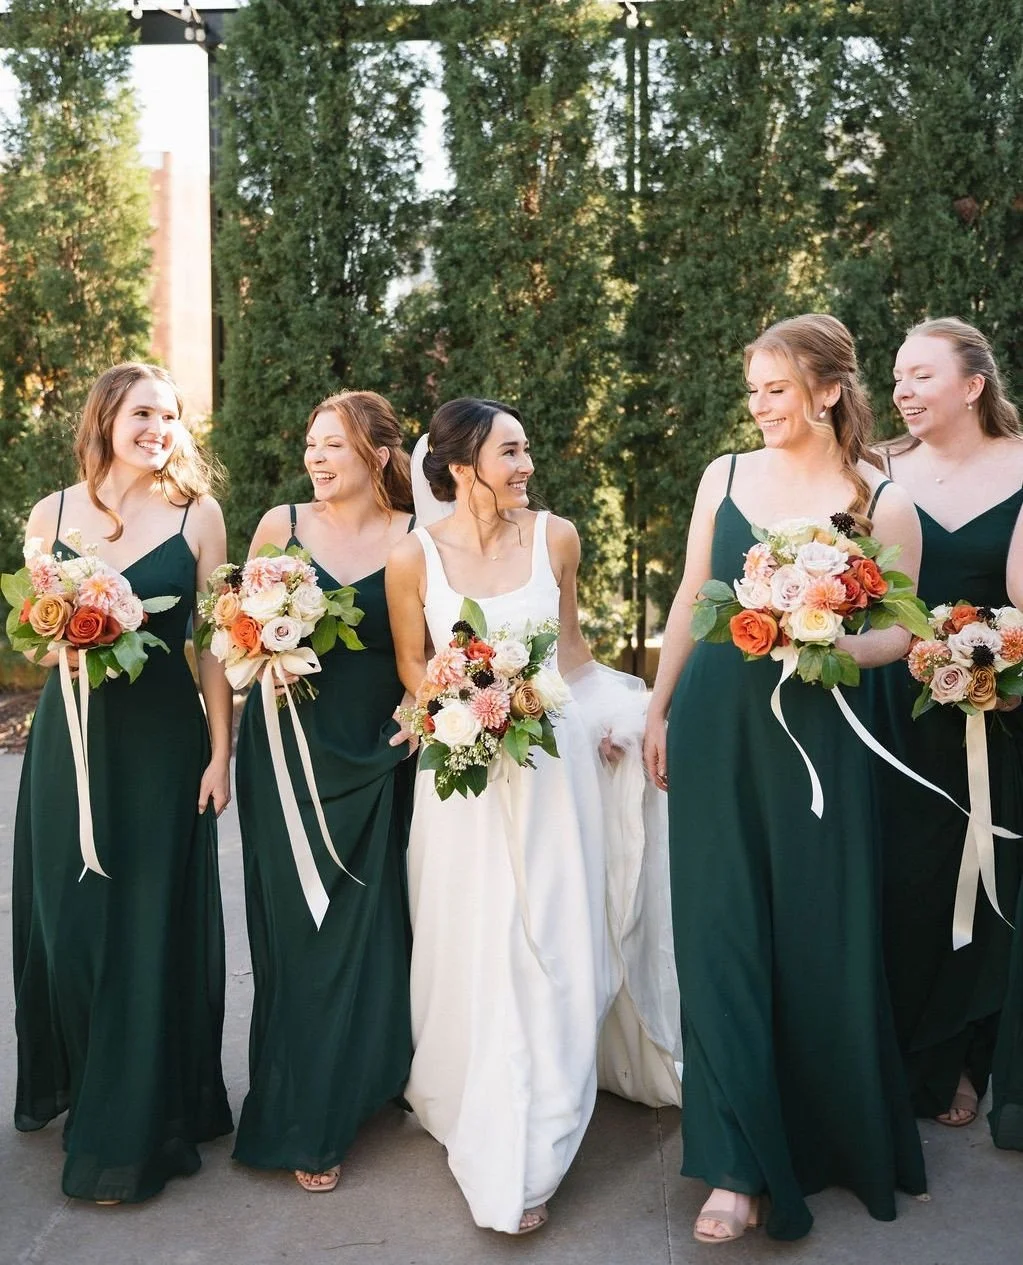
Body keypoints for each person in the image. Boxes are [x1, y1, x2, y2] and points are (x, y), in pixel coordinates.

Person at [643, 314, 927, 1242]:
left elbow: (905, 630)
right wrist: (658, 706)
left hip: (818, 738)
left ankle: (818, 1135)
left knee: (815, 932)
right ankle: (733, 1164)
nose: (760, 406)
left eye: (776, 388)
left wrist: (836, 637)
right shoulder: (721, 476)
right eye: (754, 389)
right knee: (719, 931)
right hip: (716, 726)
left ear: (828, 391)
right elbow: (691, 593)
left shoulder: (878, 497)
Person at [386, 397, 653, 1236]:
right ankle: (472, 1092)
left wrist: (621, 713)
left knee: (551, 934)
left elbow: (571, 652)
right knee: (470, 935)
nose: (526, 465)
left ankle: (541, 1120)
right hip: (458, 776)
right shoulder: (413, 558)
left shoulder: (556, 537)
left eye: (526, 449)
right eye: (510, 452)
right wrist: (458, 711)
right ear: (461, 465)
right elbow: (416, 672)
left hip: (552, 767)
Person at [12, 362, 233, 1203]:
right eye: (145, 412)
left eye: (171, 417)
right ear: (107, 416)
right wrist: (60, 636)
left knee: (146, 926)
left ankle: (128, 1128)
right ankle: (86, 1069)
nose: (160, 429)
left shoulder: (198, 515)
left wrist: (222, 753)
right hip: (69, 745)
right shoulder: (51, 514)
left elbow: (214, 644)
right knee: (69, 927)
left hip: (164, 747)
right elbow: (32, 635)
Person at [232, 390, 417, 1191]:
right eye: (310, 443)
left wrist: (420, 709)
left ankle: (368, 1083)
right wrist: (256, 654)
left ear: (378, 454)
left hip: (382, 747)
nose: (315, 457)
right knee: (299, 932)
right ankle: (305, 1115)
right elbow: (234, 632)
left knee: (374, 928)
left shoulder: (417, 534)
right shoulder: (281, 525)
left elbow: (437, 645)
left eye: (333, 444)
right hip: (285, 748)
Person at [873, 318, 1023, 1134]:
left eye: (921, 374)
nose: (901, 389)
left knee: (988, 872)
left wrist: (996, 674)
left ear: (971, 386)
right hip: (886, 713)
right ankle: (896, 1050)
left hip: (994, 711)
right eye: (897, 375)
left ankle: (964, 1056)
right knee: (904, 878)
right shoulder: (876, 469)